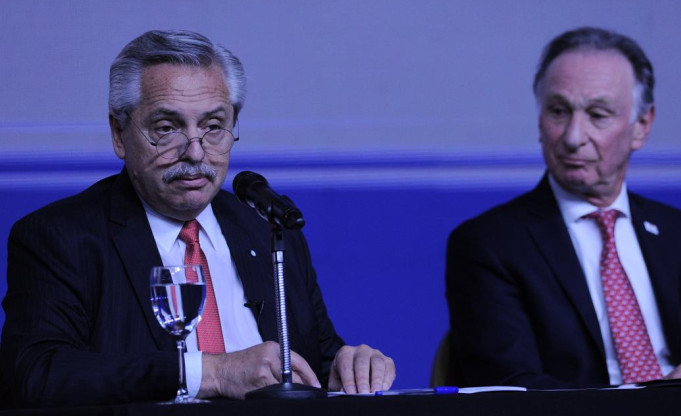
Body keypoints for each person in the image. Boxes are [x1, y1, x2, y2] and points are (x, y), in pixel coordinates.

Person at [0, 30, 395, 408]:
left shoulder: (268, 229)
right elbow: (36, 375)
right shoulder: (62, 238)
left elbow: (316, 362)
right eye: (167, 128)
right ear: (119, 134)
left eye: (213, 127)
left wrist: (349, 367)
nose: (195, 151)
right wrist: (212, 373)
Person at [445, 27, 681, 389]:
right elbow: (511, 389)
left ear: (641, 126)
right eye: (559, 111)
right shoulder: (490, 244)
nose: (574, 137)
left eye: (598, 114)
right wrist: (655, 396)